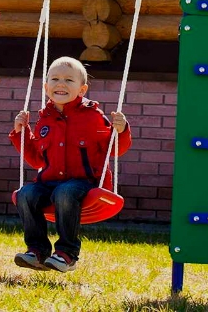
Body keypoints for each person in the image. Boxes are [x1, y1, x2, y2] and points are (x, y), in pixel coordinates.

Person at [10, 56, 131, 272]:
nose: (61, 84)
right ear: (46, 87)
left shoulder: (93, 116)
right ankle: (37, 251)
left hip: (84, 183)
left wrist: (121, 131)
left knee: (65, 192)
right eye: (55, 79)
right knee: (25, 194)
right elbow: (36, 159)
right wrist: (22, 133)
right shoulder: (44, 119)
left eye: (69, 80)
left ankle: (67, 253)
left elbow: (113, 150)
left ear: (82, 89)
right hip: (49, 182)